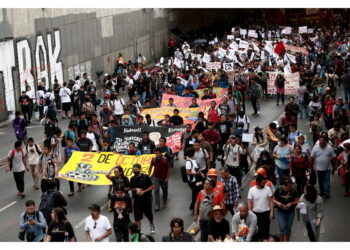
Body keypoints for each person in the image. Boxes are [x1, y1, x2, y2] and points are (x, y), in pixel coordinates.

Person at [194, 178, 225, 242]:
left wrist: (221, 216)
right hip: (203, 219)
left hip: (213, 220)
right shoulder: (201, 193)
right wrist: (195, 214)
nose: (204, 185)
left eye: (206, 184)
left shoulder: (217, 194)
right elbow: (197, 203)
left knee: (213, 237)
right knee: (203, 236)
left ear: (211, 186)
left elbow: (222, 205)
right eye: (204, 183)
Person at [130, 163, 155, 233]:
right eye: (134, 170)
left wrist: (144, 191)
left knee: (148, 214)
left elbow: (152, 186)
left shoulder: (146, 177)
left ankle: (151, 223)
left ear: (140, 169)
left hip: (146, 199)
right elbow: (130, 188)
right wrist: (136, 189)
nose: (135, 171)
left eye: (136, 170)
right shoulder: (132, 178)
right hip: (137, 200)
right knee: (137, 217)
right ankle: (139, 231)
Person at [247, 174, 273, 241]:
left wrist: (271, 212)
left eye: (265, 182)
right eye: (263, 183)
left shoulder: (268, 189)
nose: (264, 184)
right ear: (258, 182)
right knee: (257, 232)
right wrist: (250, 213)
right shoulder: (252, 190)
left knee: (265, 233)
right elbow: (249, 202)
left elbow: (270, 201)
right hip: (256, 214)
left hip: (266, 213)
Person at [273, 176, 299, 242]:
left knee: (288, 229)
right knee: (282, 228)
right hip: (280, 212)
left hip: (290, 212)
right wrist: (278, 203)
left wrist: (291, 203)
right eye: (290, 186)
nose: (291, 187)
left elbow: (297, 201)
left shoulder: (294, 190)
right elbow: (273, 199)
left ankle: (287, 242)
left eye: (291, 185)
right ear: (285, 186)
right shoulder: (279, 190)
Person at [185, 147, 205, 212]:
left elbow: (196, 168)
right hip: (192, 181)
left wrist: (201, 173)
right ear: (193, 154)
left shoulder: (193, 160)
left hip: (196, 179)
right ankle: (194, 208)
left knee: (197, 194)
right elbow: (188, 173)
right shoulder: (188, 162)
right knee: (195, 195)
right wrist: (196, 173)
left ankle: (194, 207)